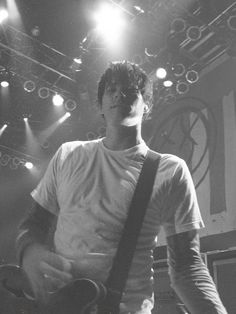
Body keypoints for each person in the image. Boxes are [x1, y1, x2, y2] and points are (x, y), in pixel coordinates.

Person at [16, 61, 227, 314]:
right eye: (111, 89)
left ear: (146, 105)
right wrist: (29, 253)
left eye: (130, 89)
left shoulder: (170, 170)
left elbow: (187, 266)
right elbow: (33, 224)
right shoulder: (68, 155)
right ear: (102, 106)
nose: (119, 94)